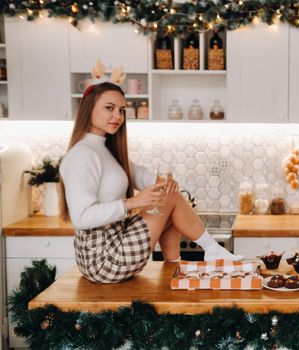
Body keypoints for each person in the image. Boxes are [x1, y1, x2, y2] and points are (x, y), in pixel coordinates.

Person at [59, 82, 242, 284]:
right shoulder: (81, 155)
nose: (118, 116)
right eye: (109, 108)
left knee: (168, 200)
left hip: (116, 243)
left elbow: (138, 175)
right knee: (169, 199)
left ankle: (175, 266)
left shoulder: (106, 149)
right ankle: (213, 251)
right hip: (103, 260)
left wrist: (163, 182)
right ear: (89, 108)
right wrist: (133, 202)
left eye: (121, 110)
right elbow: (81, 217)